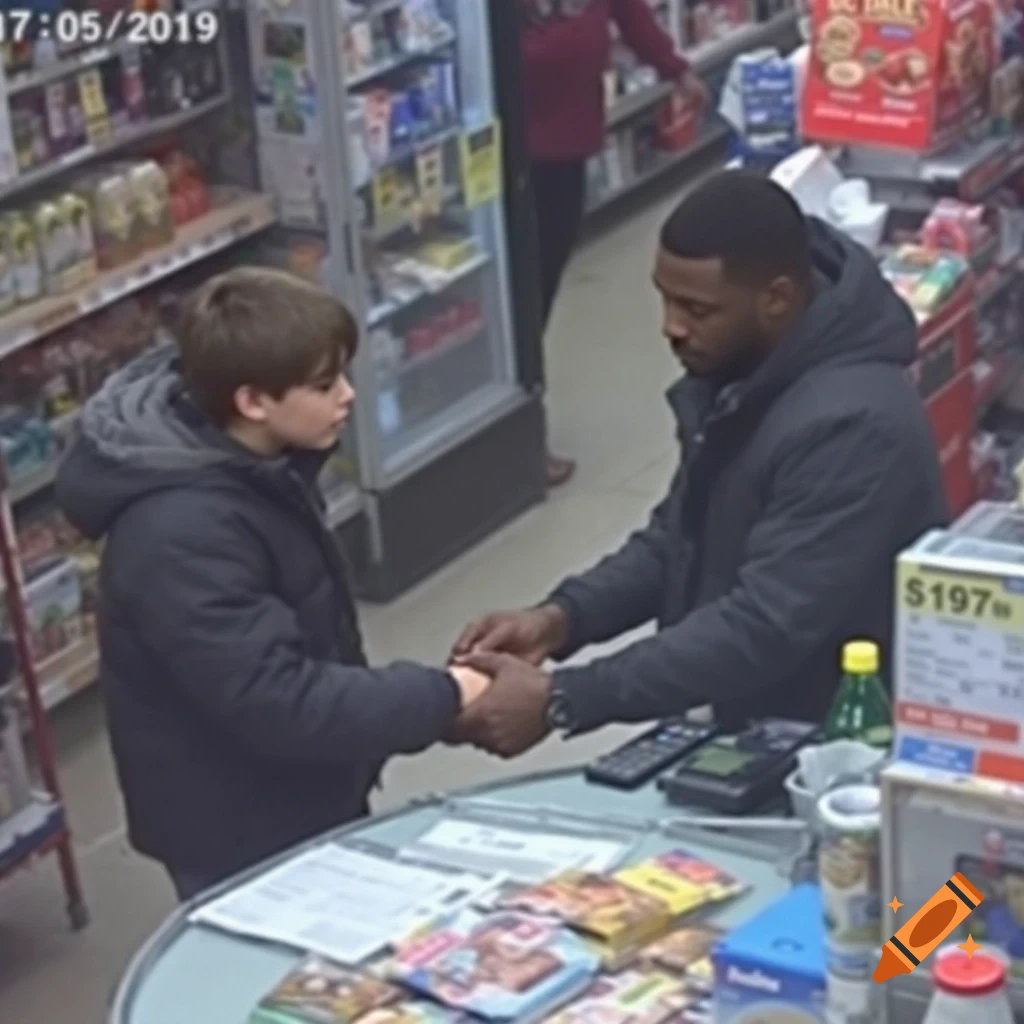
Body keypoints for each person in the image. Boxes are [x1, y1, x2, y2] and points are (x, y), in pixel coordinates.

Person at [450, 170, 947, 757]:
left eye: (697, 309)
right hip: (753, 718)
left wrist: (566, 696)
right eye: (664, 298)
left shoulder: (852, 426)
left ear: (777, 299)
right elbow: (682, 537)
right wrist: (562, 619)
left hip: (832, 744)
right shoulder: (749, 374)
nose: (671, 327)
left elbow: (765, 624)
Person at [56, 268, 489, 900]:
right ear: (252, 401)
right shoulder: (182, 534)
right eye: (322, 384)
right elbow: (275, 699)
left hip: (292, 789)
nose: (347, 395)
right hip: (242, 824)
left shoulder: (250, 465)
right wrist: (444, 694)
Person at [520, 0, 709, 486]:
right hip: (514, 156)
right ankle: (520, 439)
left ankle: (522, 421)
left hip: (566, 151)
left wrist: (677, 72)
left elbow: (632, 17)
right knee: (525, 298)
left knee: (539, 289)